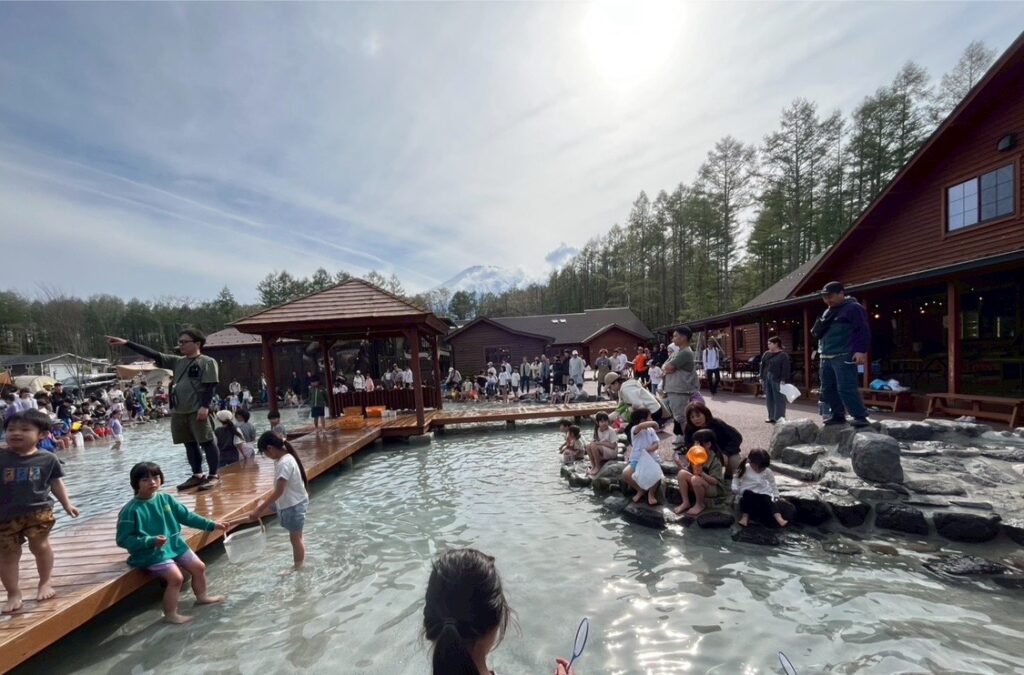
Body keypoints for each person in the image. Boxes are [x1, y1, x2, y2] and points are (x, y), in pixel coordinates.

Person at [106, 331, 222, 491]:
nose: (181, 345)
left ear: (197, 343)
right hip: (179, 409)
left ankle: (214, 475)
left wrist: (205, 406)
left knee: (207, 441)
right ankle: (197, 474)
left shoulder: (207, 362)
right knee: (189, 443)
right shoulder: (177, 361)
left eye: (184, 342)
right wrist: (127, 343)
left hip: (197, 408)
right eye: (180, 342)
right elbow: (153, 354)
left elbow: (210, 385)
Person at [115, 461, 227, 623]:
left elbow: (187, 516)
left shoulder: (166, 499)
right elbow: (123, 539)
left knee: (199, 567)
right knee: (176, 578)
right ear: (135, 483)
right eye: (145, 479)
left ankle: (202, 596)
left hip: (174, 545)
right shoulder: (131, 510)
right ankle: (170, 614)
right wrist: (150, 541)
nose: (152, 482)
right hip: (150, 553)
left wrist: (211, 525)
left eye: (156, 477)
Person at [1, 410, 80, 613]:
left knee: (40, 546)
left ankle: (45, 582)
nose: (16, 433)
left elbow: (55, 483)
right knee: (7, 554)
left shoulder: (47, 458)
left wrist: (67, 504)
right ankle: (13, 592)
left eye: (25, 429)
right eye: (11, 429)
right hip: (4, 515)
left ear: (43, 434)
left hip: (39, 511)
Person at [248, 432, 310, 570]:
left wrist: (259, 509)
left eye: (265, 453)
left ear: (270, 448)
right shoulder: (285, 458)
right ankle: (300, 561)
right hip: (294, 501)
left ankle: (298, 567)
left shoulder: (284, 463)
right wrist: (261, 507)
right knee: (297, 537)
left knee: (295, 539)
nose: (267, 456)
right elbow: (280, 490)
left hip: (294, 505)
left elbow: (279, 491)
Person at [813, 281, 871, 427]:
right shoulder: (828, 311)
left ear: (841, 293)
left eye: (830, 296)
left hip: (843, 354)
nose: (827, 299)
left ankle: (860, 416)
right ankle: (837, 415)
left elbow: (862, 329)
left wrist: (860, 350)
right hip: (825, 355)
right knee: (827, 388)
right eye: (825, 297)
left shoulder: (853, 308)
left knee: (846, 387)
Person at [673, 428, 725, 516]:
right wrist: (679, 465)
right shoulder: (695, 455)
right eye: (695, 443)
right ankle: (686, 502)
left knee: (695, 479)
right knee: (682, 473)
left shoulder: (715, 461)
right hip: (697, 483)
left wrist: (702, 473)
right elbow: (689, 472)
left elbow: (715, 481)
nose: (695, 446)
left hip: (712, 488)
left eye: (698, 443)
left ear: (708, 444)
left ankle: (699, 504)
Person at [681, 402, 743, 475]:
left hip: (724, 452)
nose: (696, 419)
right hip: (702, 455)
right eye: (692, 417)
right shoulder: (689, 428)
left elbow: (737, 437)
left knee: (734, 462)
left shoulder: (717, 423)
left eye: (698, 415)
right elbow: (688, 444)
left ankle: (729, 476)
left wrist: (726, 453)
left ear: (705, 414)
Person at [662, 327, 700, 442]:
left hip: (680, 390)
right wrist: (667, 368)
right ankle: (687, 440)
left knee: (682, 417)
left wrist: (668, 368)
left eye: (675, 336)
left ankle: (691, 441)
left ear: (683, 338)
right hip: (675, 390)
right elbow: (664, 367)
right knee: (679, 417)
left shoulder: (685, 353)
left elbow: (668, 367)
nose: (673, 339)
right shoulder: (677, 352)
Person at [732, 449, 787, 528]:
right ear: (751, 462)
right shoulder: (745, 468)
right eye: (757, 467)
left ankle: (779, 518)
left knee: (769, 501)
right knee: (747, 497)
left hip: (762, 493)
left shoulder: (767, 471)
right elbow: (736, 479)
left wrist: (776, 495)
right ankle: (745, 517)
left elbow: (773, 484)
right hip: (748, 493)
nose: (759, 470)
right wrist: (734, 487)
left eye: (762, 468)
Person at [603, 372, 666, 439]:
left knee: (630, 431)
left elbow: (639, 406)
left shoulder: (626, 389)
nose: (611, 390)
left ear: (616, 383)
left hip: (653, 412)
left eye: (610, 387)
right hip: (650, 410)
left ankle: (654, 424)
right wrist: (610, 417)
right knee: (626, 423)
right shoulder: (622, 388)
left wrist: (644, 421)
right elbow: (620, 406)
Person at [622, 408, 661, 506]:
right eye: (650, 417)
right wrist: (654, 423)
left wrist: (648, 449)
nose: (652, 419)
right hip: (637, 459)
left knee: (656, 474)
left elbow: (656, 444)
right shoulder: (635, 429)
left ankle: (651, 494)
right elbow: (640, 426)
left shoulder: (651, 430)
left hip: (651, 458)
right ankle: (640, 490)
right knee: (626, 474)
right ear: (643, 419)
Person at [759, 336, 792, 424]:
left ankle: (779, 418)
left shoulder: (783, 355)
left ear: (776, 344)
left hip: (777, 379)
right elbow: (762, 366)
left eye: (770, 343)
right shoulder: (766, 354)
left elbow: (785, 368)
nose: (768, 345)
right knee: (769, 398)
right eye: (768, 344)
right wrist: (761, 377)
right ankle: (771, 417)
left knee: (779, 398)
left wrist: (783, 379)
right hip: (767, 377)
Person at [211, 410, 249, 475]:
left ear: (219, 420)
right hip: (234, 455)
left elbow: (215, 445)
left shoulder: (217, 431)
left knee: (222, 474)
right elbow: (238, 444)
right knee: (236, 473)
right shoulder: (235, 429)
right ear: (231, 418)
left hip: (222, 456)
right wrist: (244, 455)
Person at [586, 411, 619, 476]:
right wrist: (596, 442)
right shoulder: (597, 429)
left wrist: (600, 443)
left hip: (612, 451)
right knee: (588, 446)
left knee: (594, 446)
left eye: (605, 421)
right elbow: (596, 441)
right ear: (597, 422)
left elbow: (613, 446)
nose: (604, 423)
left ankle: (598, 467)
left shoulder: (611, 431)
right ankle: (593, 465)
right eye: (602, 421)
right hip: (603, 449)